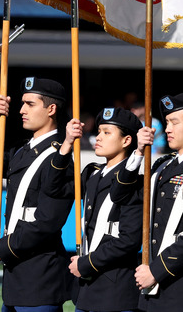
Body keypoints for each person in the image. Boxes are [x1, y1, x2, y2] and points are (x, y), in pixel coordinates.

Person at [0, 77, 74, 311]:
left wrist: (2, 248)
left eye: (30, 104)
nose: (21, 110)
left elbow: (46, 223)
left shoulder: (60, 159)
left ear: (51, 109)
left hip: (40, 276)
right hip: (16, 279)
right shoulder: (20, 152)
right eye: (22, 103)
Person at [110, 92, 183, 312]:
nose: (166, 129)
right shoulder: (162, 166)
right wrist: (138, 153)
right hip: (149, 287)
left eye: (174, 122)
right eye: (166, 122)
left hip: (181, 286)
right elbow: (121, 195)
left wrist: (156, 271)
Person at [54, 108, 143, 312]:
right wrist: (67, 143)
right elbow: (54, 188)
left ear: (126, 141)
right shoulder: (92, 175)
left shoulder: (135, 183)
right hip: (86, 291)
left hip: (114, 291)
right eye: (99, 131)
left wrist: (87, 263)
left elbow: (128, 240)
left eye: (107, 132)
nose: (98, 137)